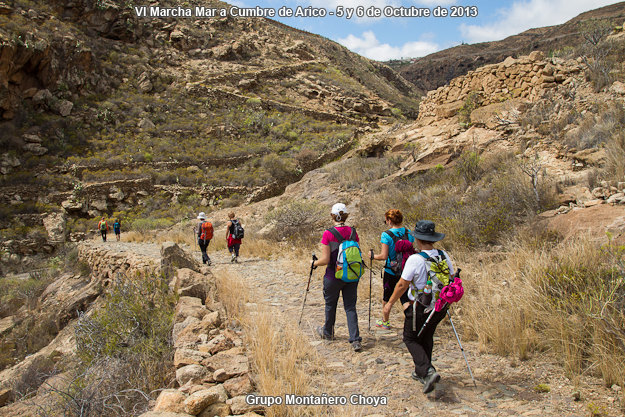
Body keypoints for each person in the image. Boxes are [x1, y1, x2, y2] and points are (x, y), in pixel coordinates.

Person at [382, 220, 454, 394]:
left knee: (410, 338)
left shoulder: (416, 259)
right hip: (439, 306)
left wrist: (389, 304)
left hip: (420, 307)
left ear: (419, 239)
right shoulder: (443, 255)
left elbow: (402, 284)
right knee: (426, 335)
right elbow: (451, 277)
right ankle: (421, 371)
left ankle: (428, 371)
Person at [312, 203, 363, 352]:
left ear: (332, 216)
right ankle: (355, 339)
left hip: (333, 276)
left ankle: (328, 332)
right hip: (351, 275)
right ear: (346, 216)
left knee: (330, 304)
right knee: (350, 306)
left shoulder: (328, 233)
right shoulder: (353, 232)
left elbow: (325, 260)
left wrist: (313, 263)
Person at [371, 209, 414, 330]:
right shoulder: (409, 233)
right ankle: (411, 321)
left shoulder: (386, 235)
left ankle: (385, 321)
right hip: (406, 269)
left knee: (387, 296)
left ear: (389, 221)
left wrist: (373, 256)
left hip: (391, 270)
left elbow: (384, 256)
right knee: (405, 297)